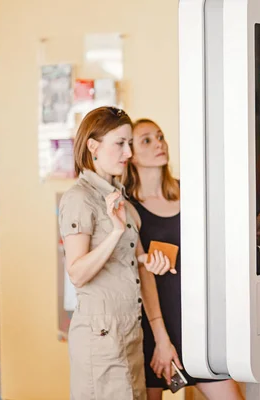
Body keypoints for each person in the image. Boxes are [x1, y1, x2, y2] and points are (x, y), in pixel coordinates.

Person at [124, 118, 244, 400]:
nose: (159, 144)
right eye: (147, 140)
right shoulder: (129, 207)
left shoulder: (189, 192)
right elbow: (144, 277)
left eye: (160, 136)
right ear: (130, 154)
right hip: (155, 327)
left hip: (197, 321)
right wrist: (161, 340)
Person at [59, 106, 174, 400]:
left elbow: (132, 262)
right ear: (93, 147)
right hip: (100, 341)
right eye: (120, 144)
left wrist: (147, 260)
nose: (127, 153)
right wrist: (115, 232)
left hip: (130, 334)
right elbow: (77, 273)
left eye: (129, 144)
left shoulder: (118, 198)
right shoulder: (79, 198)